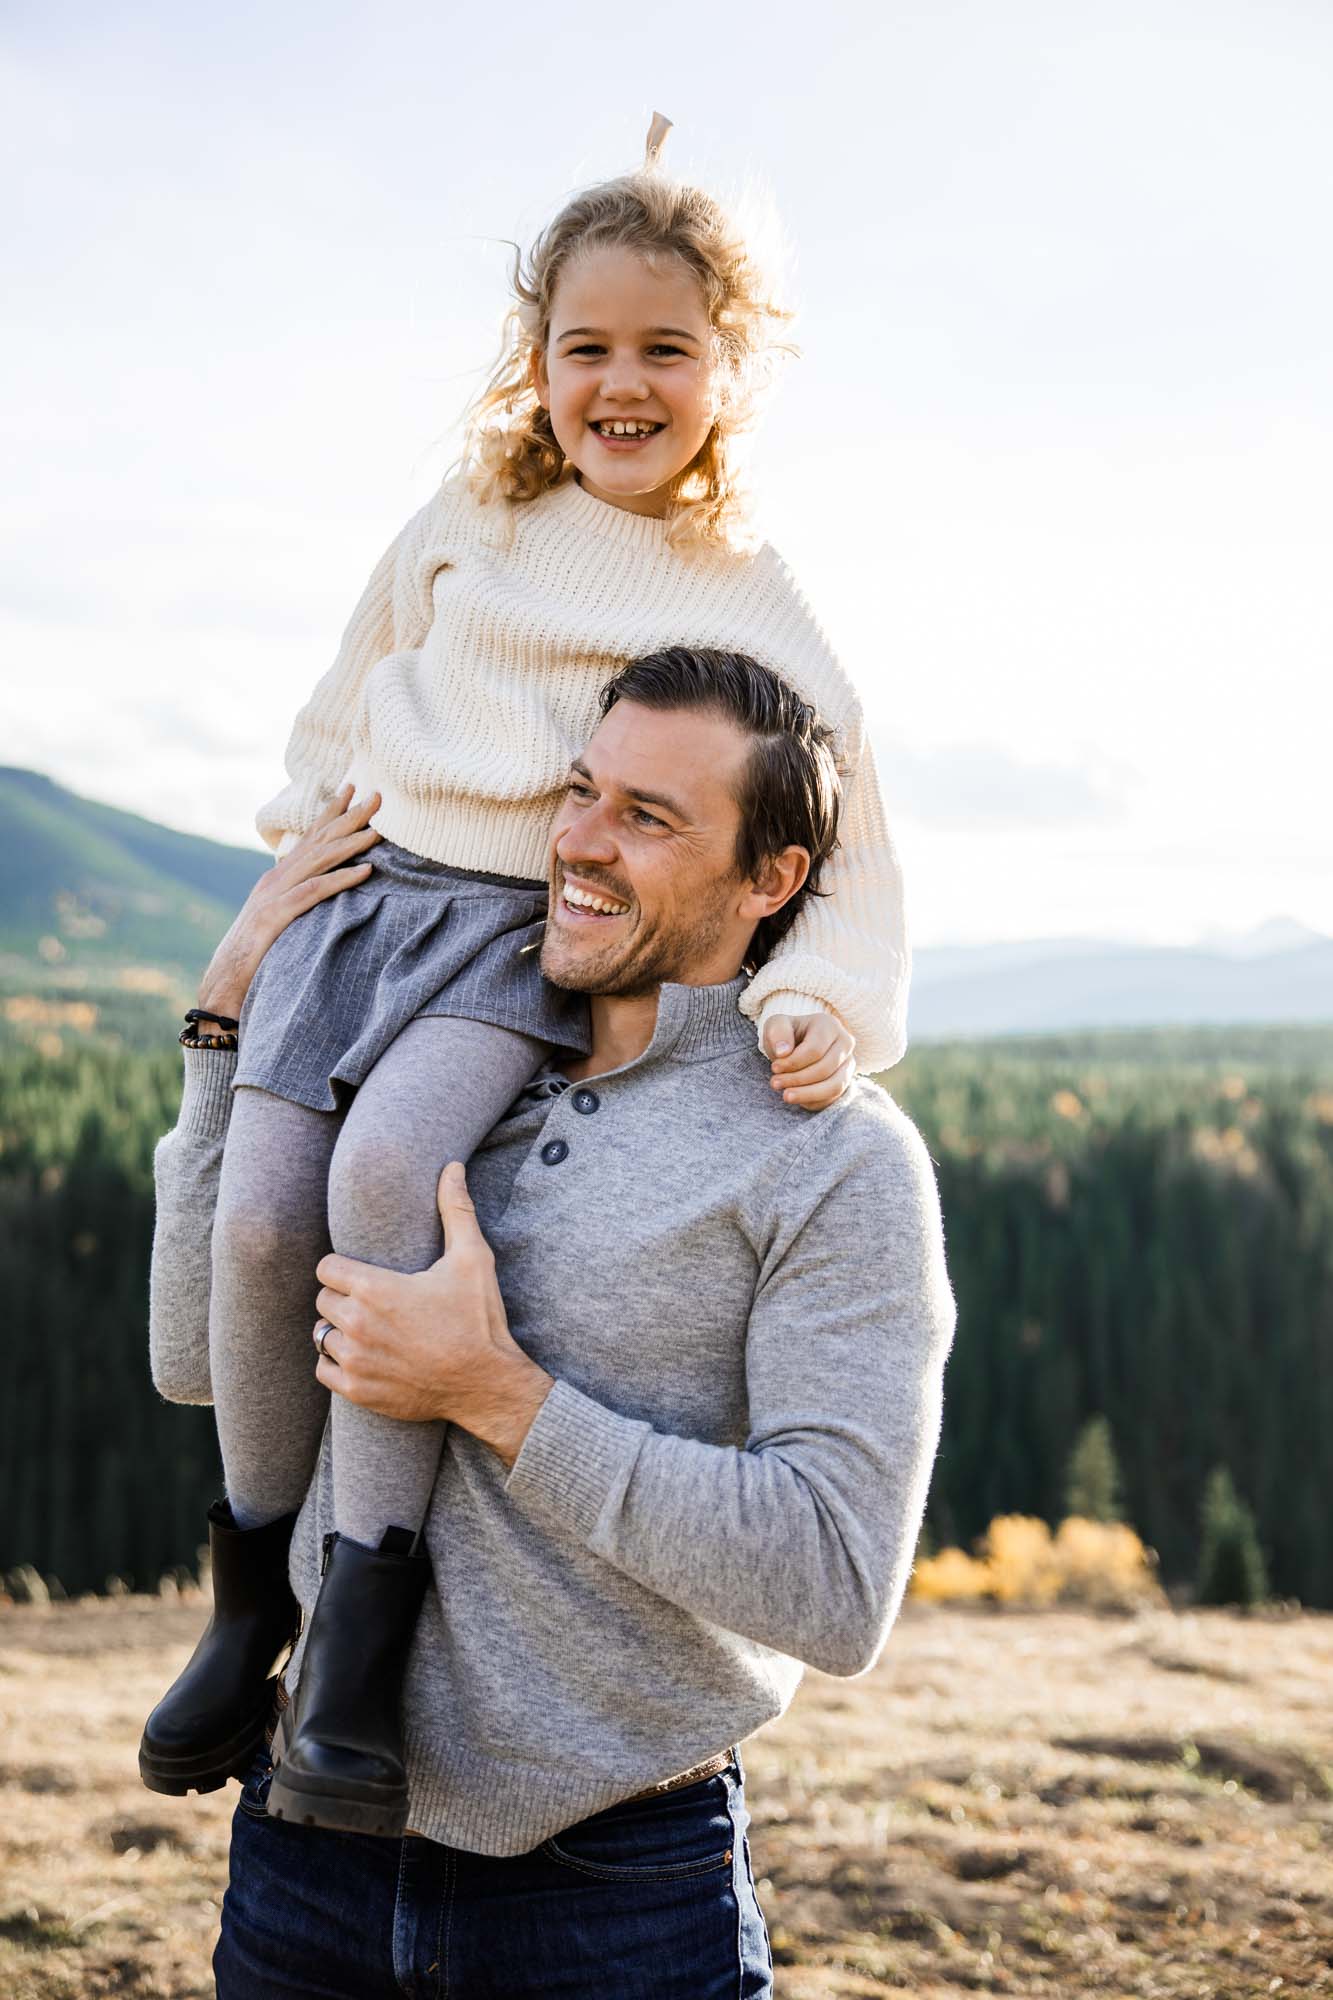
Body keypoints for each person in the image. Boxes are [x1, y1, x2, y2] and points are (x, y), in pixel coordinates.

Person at [138, 118, 911, 1837]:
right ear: (534, 360)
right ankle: (257, 1589)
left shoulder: (749, 597)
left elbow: (852, 837)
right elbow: (351, 688)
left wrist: (822, 1005)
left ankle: (357, 1634)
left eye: (665, 349)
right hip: (359, 910)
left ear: (732, 369)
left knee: (377, 1181)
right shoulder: (469, 513)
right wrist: (286, 863)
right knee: (267, 1225)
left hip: (498, 937)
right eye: (586, 347)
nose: (621, 383)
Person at [149, 647, 954, 1998]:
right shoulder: (429, 1079)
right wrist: (230, 1009)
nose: (576, 841)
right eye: (579, 792)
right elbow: (190, 1361)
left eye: (648, 816)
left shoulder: (829, 1159)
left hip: (615, 1895)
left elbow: (832, 1584)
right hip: (307, 1852)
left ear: (770, 882)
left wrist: (497, 1394)